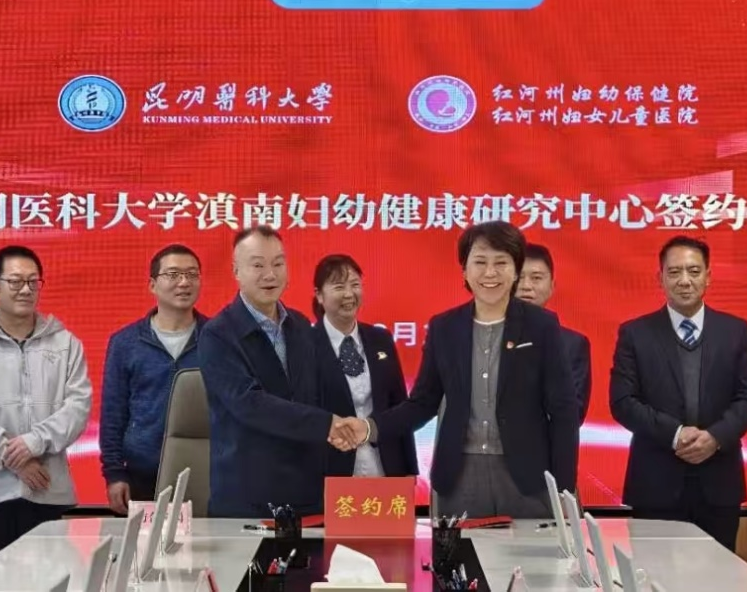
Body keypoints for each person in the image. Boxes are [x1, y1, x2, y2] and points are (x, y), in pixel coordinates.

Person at [335, 222, 579, 518]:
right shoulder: (445, 327)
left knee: (530, 550)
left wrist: (564, 488)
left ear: (515, 270)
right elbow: (422, 403)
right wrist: (369, 428)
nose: (490, 273)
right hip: (461, 476)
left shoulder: (541, 326)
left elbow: (564, 410)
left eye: (501, 263)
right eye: (480, 262)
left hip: (527, 477)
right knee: (462, 549)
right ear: (465, 270)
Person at [609, 235, 747, 551]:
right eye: (674, 272)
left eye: (693, 271)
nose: (684, 280)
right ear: (660, 278)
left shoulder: (735, 331)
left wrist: (715, 437)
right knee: (653, 572)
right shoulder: (635, 333)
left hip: (719, 483)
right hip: (655, 483)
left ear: (708, 276)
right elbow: (623, 402)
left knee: (718, 574)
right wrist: (676, 434)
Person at [0, 245, 92, 567]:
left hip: (47, 486)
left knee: (50, 581)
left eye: (33, 281)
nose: (25, 289)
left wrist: (34, 442)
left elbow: (78, 406)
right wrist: (13, 458)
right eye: (15, 281)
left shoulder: (66, 343)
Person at [199, 226, 348, 517]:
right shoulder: (218, 334)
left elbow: (315, 394)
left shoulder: (301, 325)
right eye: (258, 265)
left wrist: (347, 428)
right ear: (236, 271)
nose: (270, 275)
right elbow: (249, 404)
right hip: (247, 498)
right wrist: (326, 424)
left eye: (278, 264)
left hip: (306, 493)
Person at [100, 244, 210, 515]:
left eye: (192, 274)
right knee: (147, 544)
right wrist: (114, 473)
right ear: (152, 284)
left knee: (206, 543)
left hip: (207, 472)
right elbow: (113, 413)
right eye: (173, 274)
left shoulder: (217, 339)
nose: (184, 282)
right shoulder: (125, 342)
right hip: (141, 475)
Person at [311, 254, 419, 479]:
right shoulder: (305, 344)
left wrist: (410, 469)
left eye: (355, 285)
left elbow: (400, 406)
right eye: (339, 286)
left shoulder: (381, 339)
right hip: (330, 470)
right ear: (319, 295)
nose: (349, 294)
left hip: (384, 467)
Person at [516, 242, 593, 426]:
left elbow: (573, 413)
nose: (526, 286)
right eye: (518, 278)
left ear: (552, 286)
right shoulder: (483, 335)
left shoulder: (573, 345)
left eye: (536, 278)